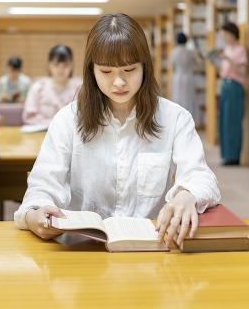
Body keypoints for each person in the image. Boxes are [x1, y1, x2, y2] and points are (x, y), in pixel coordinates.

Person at [14, 13, 220, 246]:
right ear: (91, 71)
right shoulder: (68, 119)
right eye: (106, 72)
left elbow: (202, 177)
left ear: (145, 66)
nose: (119, 82)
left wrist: (187, 194)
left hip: (150, 248)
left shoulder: (174, 118)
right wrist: (34, 215)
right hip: (82, 251)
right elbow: (43, 185)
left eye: (130, 70)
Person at [22, 45, 81, 126]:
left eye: (65, 65)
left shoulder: (79, 88)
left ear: (71, 66)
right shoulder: (38, 87)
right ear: (49, 65)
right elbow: (29, 117)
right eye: (56, 65)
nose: (61, 69)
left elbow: (84, 116)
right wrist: (53, 124)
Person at [217, 22, 248, 166]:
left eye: (224, 34)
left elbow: (242, 71)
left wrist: (228, 59)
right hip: (225, 85)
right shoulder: (227, 49)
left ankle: (233, 156)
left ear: (232, 34)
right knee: (223, 121)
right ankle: (226, 154)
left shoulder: (240, 49)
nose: (223, 37)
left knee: (232, 121)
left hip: (235, 87)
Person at [170, 32, 202, 117]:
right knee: (188, 97)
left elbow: (172, 65)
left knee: (177, 97)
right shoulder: (190, 52)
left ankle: (178, 118)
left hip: (177, 76)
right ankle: (189, 118)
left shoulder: (174, 51)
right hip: (188, 76)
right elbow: (199, 63)